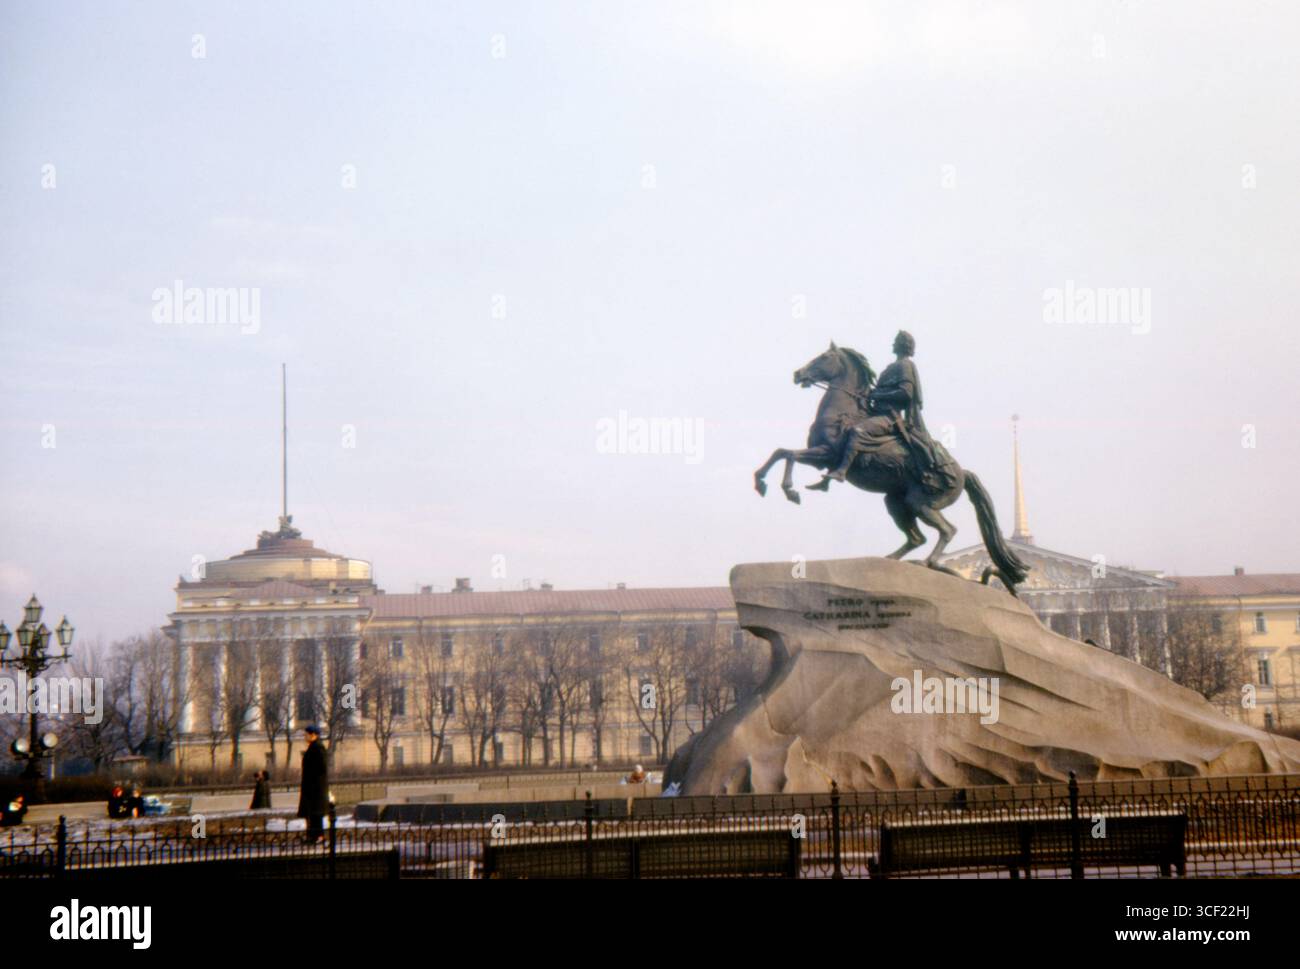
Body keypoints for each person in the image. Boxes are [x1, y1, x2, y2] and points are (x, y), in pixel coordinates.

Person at [816, 330, 955, 491]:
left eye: (896, 341)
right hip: (877, 412)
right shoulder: (891, 367)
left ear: (903, 345)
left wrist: (879, 395)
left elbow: (906, 393)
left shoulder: (905, 365)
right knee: (843, 429)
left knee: (858, 430)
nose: (893, 344)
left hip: (890, 417)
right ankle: (829, 471)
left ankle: (841, 472)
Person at [297, 725, 330, 845]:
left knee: (316, 814)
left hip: (316, 789)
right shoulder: (313, 747)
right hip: (312, 788)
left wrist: (312, 779)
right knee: (312, 814)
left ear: (313, 735)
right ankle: (312, 836)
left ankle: (318, 837)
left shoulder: (318, 748)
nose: (305, 737)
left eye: (306, 734)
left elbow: (322, 768)